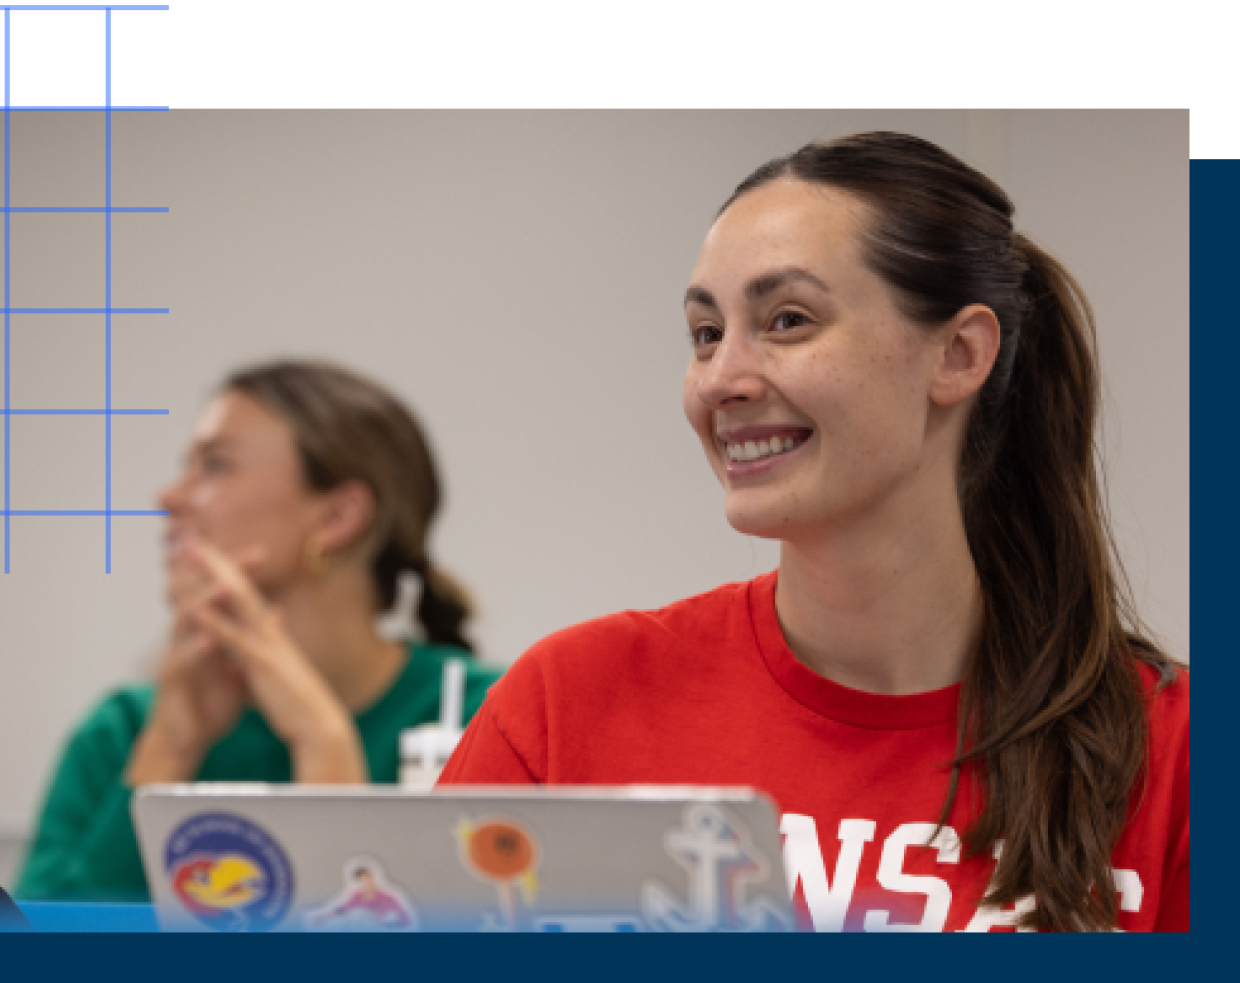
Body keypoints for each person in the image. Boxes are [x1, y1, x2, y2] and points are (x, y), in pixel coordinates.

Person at [439, 133, 1189, 933]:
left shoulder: (1176, 749)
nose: (722, 379)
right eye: (705, 334)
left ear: (959, 354)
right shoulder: (568, 704)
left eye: (787, 320)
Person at [16, 361, 503, 901]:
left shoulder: (491, 719)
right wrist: (169, 753)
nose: (168, 497)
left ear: (338, 516)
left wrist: (324, 746)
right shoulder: (123, 731)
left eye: (216, 466)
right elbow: (36, 956)